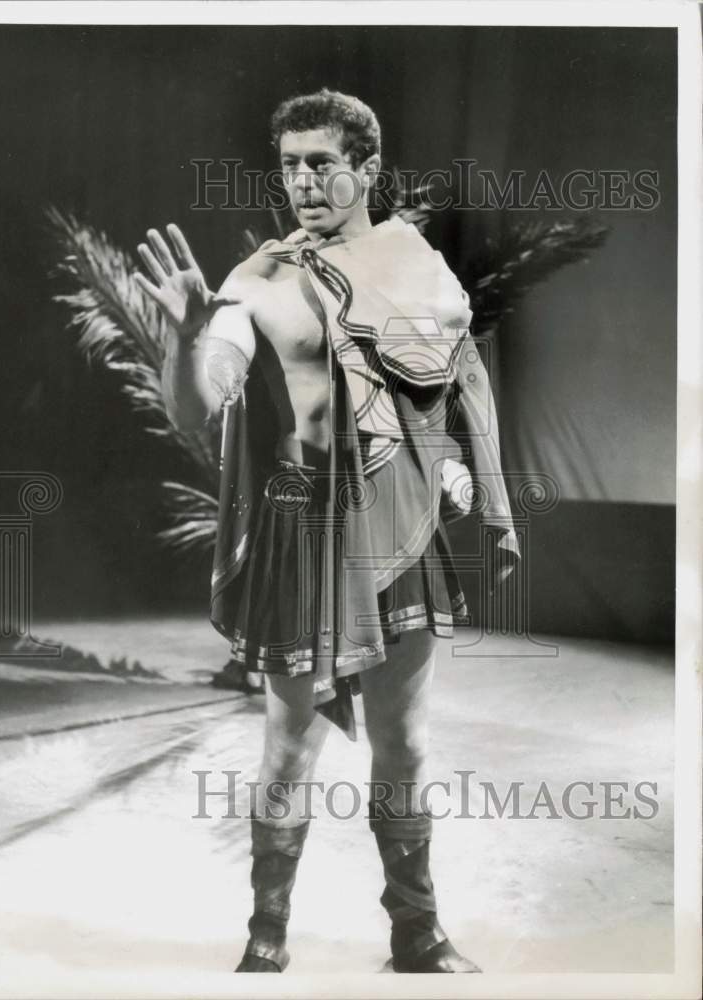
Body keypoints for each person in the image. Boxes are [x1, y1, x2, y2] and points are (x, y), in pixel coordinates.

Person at [135, 89, 518, 974]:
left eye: (322, 162)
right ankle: (266, 939)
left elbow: (437, 393)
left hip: (399, 530)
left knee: (408, 743)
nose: (303, 181)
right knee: (287, 747)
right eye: (290, 164)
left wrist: (450, 466)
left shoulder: (417, 264)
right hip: (300, 534)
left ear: (367, 169)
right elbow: (201, 409)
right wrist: (189, 338)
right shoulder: (255, 284)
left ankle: (417, 930)